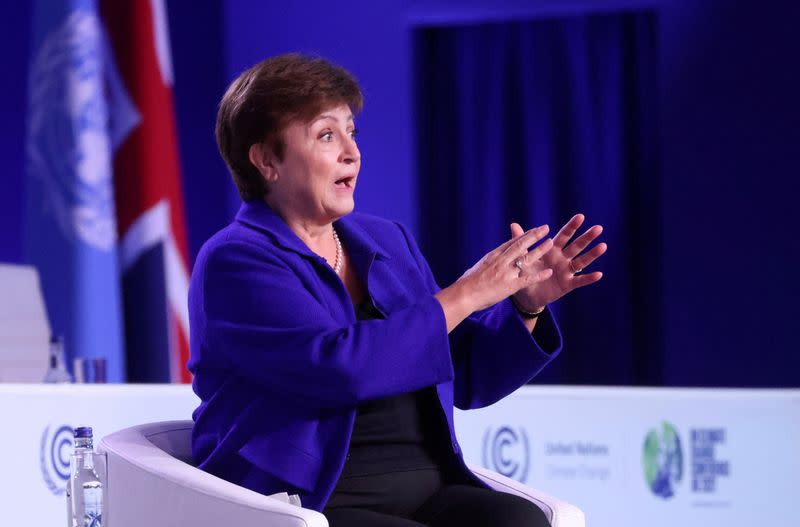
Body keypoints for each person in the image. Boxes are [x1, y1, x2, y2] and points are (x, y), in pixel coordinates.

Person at [188, 53, 606, 527]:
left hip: (430, 489)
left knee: (521, 522)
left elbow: (461, 374)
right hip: (313, 501)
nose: (351, 151)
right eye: (327, 135)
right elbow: (339, 369)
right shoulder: (236, 260)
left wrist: (523, 306)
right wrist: (466, 294)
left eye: (352, 131)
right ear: (266, 160)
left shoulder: (386, 241)